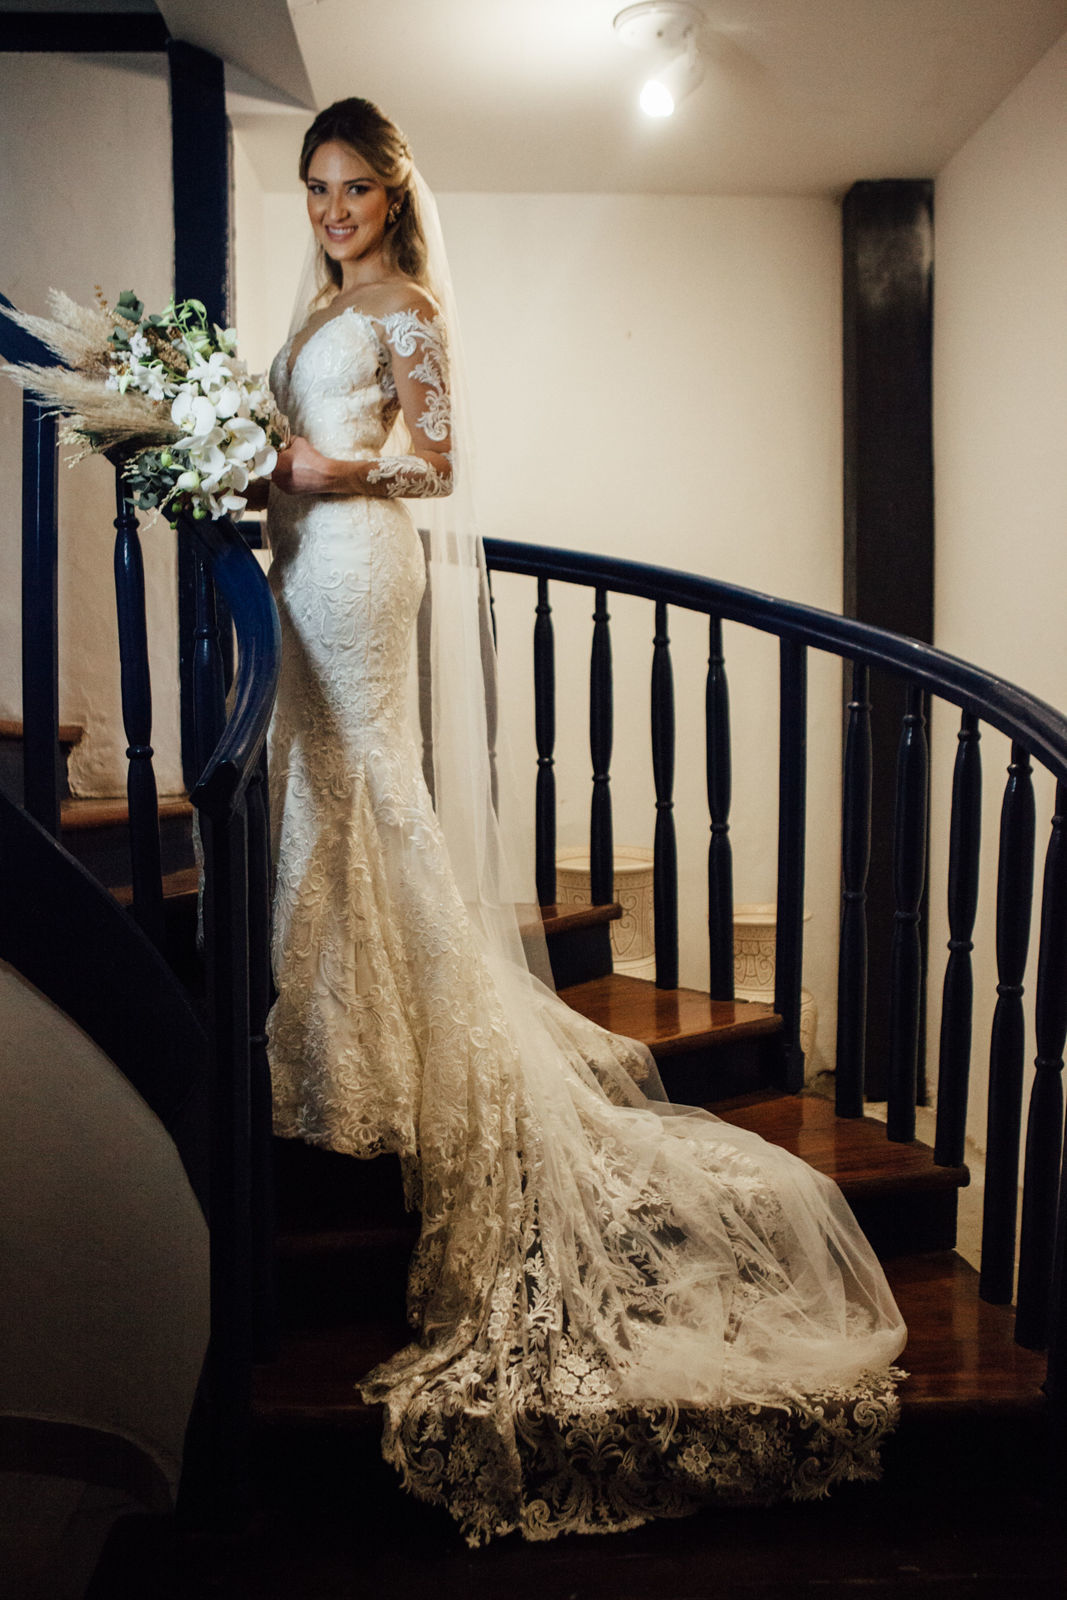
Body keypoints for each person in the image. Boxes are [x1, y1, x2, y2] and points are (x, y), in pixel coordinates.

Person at [264, 96, 906, 1548]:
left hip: (359, 563)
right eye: (316, 188)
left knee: (378, 785)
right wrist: (255, 473)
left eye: (353, 187)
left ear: (391, 196)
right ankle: (339, 1034)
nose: (333, 209)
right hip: (300, 567)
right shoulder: (318, 311)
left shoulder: (408, 309)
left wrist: (327, 472)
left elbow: (435, 464)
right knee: (325, 783)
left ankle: (417, 1046)